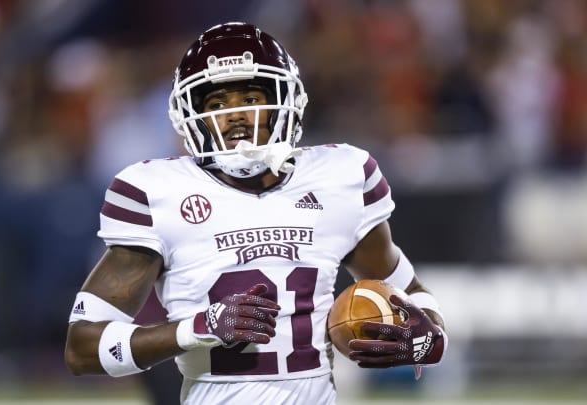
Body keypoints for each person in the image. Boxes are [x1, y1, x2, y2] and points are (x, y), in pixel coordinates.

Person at [64, 21, 448, 404]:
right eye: (216, 104)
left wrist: (430, 341)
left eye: (249, 99)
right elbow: (82, 348)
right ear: (189, 114)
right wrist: (198, 328)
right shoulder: (157, 191)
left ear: (287, 102)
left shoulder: (340, 177)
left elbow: (411, 294)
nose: (233, 116)